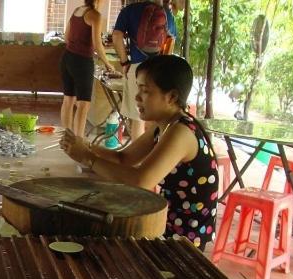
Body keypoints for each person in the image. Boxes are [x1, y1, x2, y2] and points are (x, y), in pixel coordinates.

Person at [59, 55, 219, 250]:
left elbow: (141, 180)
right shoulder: (165, 125)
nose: (137, 97)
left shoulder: (181, 131)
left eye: (145, 91)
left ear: (171, 97)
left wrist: (87, 157)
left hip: (184, 236)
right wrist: (86, 146)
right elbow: (124, 158)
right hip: (166, 219)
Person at [112, 0, 177, 140]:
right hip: (159, 69)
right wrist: (163, 64)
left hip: (136, 69)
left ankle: (136, 159)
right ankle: (156, 156)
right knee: (158, 118)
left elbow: (116, 36)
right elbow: (171, 40)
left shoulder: (129, 10)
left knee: (138, 118)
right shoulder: (167, 14)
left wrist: (124, 62)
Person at [59, 0, 115, 137]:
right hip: (82, 62)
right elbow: (97, 45)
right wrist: (108, 64)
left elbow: (66, 37)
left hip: (67, 58)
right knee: (83, 104)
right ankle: (79, 142)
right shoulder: (95, 15)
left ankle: (67, 137)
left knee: (68, 100)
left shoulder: (77, 10)